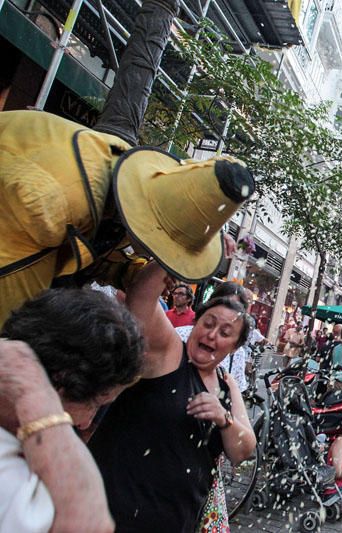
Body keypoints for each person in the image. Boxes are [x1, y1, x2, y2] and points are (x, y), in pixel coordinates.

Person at [0, 110, 254, 327]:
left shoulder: (125, 195)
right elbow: (12, 319)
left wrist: (132, 274)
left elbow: (95, 252)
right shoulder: (49, 205)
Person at [88, 263, 257, 533]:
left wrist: (223, 419)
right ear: (195, 323)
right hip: (112, 511)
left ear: (235, 347)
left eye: (225, 333)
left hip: (178, 519)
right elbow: (141, 297)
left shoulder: (227, 383)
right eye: (208, 324)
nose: (212, 335)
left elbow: (244, 449)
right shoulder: (169, 352)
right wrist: (182, 254)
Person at [0, 288, 144, 532]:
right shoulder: (13, 479)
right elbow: (91, 524)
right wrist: (38, 401)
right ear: (60, 383)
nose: (86, 423)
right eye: (95, 405)